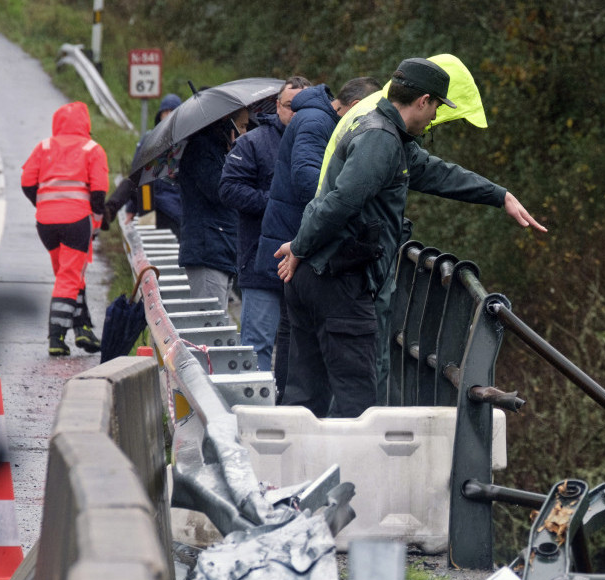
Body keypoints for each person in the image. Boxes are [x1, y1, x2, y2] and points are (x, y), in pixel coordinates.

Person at [275, 58, 545, 418]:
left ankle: (291, 472)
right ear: (423, 101)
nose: (435, 117)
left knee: (306, 396)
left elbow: (438, 174)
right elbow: (341, 201)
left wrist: (499, 195)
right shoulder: (381, 140)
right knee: (358, 402)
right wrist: (300, 246)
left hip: (318, 274)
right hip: (338, 281)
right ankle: (356, 475)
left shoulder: (387, 135)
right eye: (436, 107)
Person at [260, 76, 380, 399]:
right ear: (355, 107)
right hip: (297, 242)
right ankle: (290, 404)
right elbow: (305, 177)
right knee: (294, 339)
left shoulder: (317, 119)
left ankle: (292, 407)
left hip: (298, 239)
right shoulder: (316, 122)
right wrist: (345, 199)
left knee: (296, 340)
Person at [219, 76, 309, 370]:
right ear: (276, 107)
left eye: (303, 106)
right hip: (260, 260)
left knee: (300, 345)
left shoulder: (323, 143)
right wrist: (273, 202)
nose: (294, 113)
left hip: (306, 261)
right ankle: (257, 411)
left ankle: (290, 407)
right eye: (288, 106)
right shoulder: (252, 143)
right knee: (257, 343)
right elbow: (229, 189)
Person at [20, 101, 109, 356]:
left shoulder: (44, 146)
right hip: (75, 221)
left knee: (68, 274)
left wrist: (45, 203)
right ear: (86, 123)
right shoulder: (92, 149)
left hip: (46, 224)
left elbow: (27, 182)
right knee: (69, 276)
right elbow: (99, 193)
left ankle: (82, 329)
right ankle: (56, 337)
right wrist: (96, 221)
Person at [178, 107, 248, 309]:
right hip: (208, 250)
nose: (245, 132)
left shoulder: (219, 150)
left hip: (221, 247)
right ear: (228, 124)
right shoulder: (201, 149)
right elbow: (222, 191)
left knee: (219, 322)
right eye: (242, 126)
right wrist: (237, 157)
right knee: (210, 325)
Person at [122, 93, 183, 235]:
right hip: (148, 202)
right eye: (165, 112)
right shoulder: (149, 138)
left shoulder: (184, 141)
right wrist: (131, 207)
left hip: (175, 206)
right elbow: (137, 174)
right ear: (160, 115)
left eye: (172, 112)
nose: (168, 116)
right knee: (148, 242)